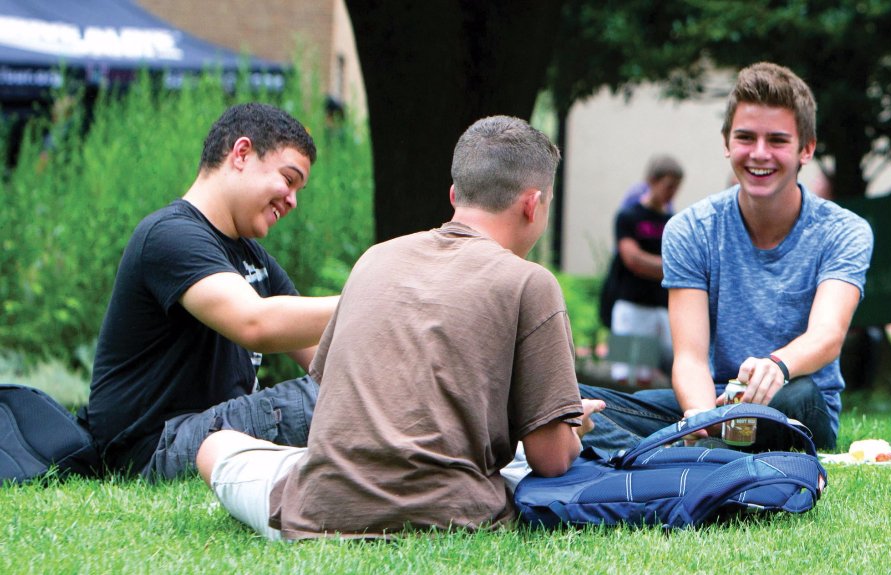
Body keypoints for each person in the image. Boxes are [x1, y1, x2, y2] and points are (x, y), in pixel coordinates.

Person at [196, 116, 602, 541]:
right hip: (454, 513)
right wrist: (572, 427)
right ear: (532, 204)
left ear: (454, 195)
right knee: (521, 466)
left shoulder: (375, 259)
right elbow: (551, 460)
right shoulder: (530, 282)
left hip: (320, 511)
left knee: (215, 446)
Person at [579, 62, 873, 453]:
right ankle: (702, 449)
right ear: (726, 143)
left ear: (806, 149)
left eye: (777, 140)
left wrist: (777, 366)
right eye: (746, 137)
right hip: (715, 399)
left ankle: (669, 454)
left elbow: (828, 335)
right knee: (576, 402)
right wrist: (702, 417)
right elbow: (689, 358)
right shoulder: (689, 229)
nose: (760, 154)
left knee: (795, 396)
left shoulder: (844, 230)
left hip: (795, 400)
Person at [75, 103, 337, 480]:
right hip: (155, 447)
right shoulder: (169, 235)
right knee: (329, 404)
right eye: (288, 179)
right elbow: (254, 323)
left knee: (356, 393)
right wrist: (373, 296)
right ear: (241, 153)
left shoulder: (253, 259)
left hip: (212, 432)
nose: (293, 200)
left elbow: (325, 355)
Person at [601, 154, 683, 384]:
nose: (672, 193)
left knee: (645, 376)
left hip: (657, 307)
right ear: (652, 180)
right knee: (623, 376)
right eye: (668, 186)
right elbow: (633, 259)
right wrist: (673, 267)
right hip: (629, 306)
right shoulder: (628, 216)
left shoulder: (673, 222)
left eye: (676, 187)